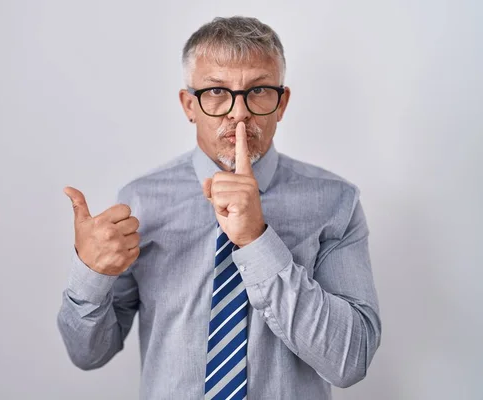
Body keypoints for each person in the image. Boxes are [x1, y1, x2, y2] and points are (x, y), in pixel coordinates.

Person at [57, 16, 381, 400]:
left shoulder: (335, 202)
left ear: (282, 104)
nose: (238, 112)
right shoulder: (140, 202)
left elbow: (350, 362)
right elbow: (88, 355)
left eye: (258, 90)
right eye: (215, 92)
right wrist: (90, 275)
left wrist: (256, 240)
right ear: (188, 105)